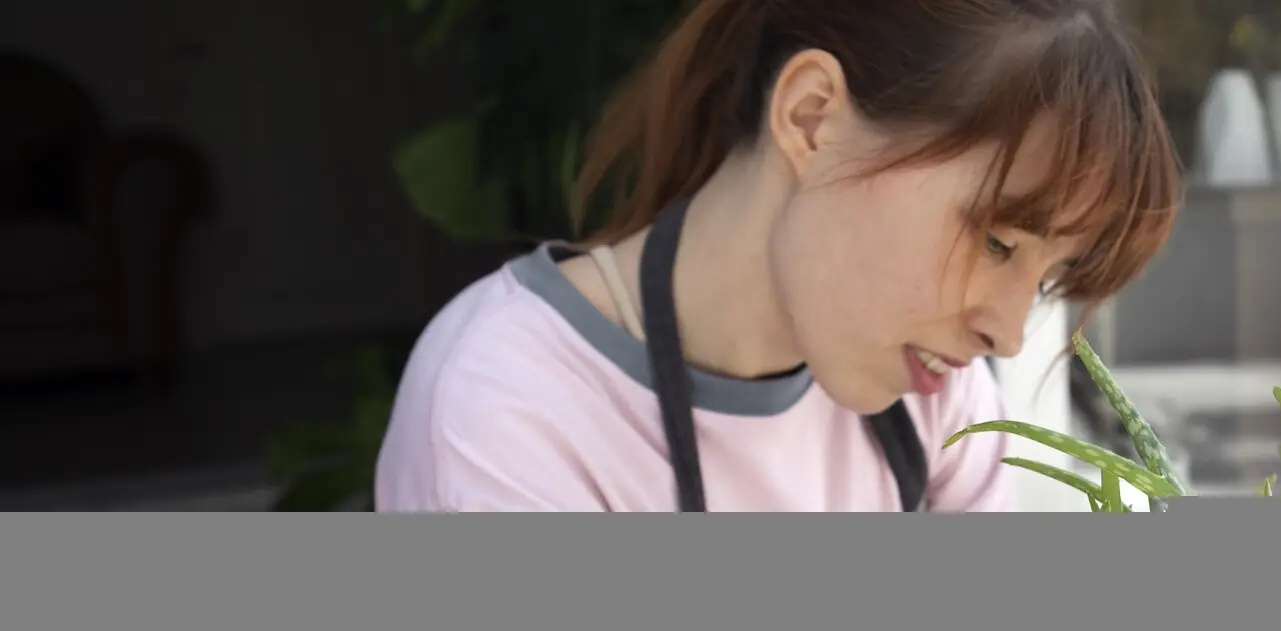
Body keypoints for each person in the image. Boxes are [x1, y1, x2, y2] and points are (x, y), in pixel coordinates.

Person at [375, 0, 1181, 512]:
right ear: (810, 117)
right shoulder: (512, 413)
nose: (1005, 332)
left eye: (1047, 278)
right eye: (997, 241)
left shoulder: (933, 404)